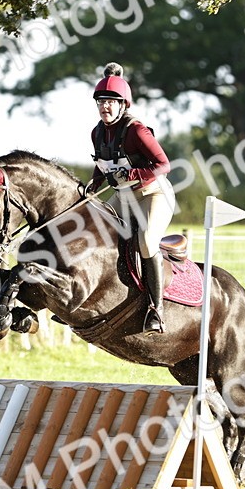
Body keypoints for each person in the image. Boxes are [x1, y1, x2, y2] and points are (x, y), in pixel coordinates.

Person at [85, 62, 176, 333]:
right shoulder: (97, 132)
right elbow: (101, 164)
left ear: (123, 105)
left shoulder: (137, 131)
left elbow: (164, 164)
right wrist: (92, 186)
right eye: (101, 102)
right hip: (124, 198)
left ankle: (156, 309)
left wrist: (134, 173)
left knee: (146, 240)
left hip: (153, 194)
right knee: (92, 229)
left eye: (111, 102)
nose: (105, 107)